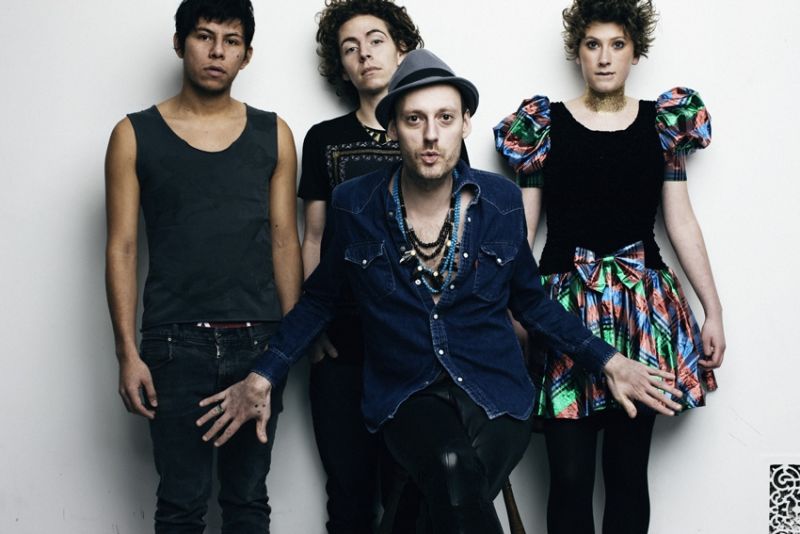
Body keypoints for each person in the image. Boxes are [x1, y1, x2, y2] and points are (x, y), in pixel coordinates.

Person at [196, 48, 683, 534]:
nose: (431, 135)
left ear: (464, 124)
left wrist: (609, 361)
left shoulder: (501, 200)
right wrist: (263, 374)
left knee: (447, 491)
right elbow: (320, 300)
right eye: (415, 119)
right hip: (407, 393)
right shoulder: (354, 205)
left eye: (445, 118)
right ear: (392, 128)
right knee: (451, 467)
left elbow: (531, 302)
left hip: (496, 391)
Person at [494, 1, 725, 533]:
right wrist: (512, 312)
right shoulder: (543, 126)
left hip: (641, 310)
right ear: (577, 52)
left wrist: (712, 310)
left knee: (627, 474)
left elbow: (681, 222)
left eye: (617, 45)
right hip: (562, 309)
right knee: (569, 477)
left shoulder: (663, 125)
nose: (604, 58)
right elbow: (522, 231)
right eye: (593, 45)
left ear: (635, 52)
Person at [104, 0, 301, 531]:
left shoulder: (274, 133)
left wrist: (288, 348)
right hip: (173, 344)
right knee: (180, 505)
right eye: (203, 36)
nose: (217, 51)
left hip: (259, 342)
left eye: (231, 41)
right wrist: (126, 353)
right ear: (179, 43)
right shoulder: (133, 134)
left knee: (247, 500)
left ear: (247, 54)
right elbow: (122, 247)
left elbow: (285, 241)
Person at [298, 2, 423, 531]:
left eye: (375, 40)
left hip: (414, 344)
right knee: (348, 498)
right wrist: (313, 326)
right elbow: (313, 237)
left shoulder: (429, 132)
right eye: (350, 48)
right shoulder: (323, 139)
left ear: (401, 49)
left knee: (410, 496)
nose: (364, 54)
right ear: (342, 68)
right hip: (342, 343)